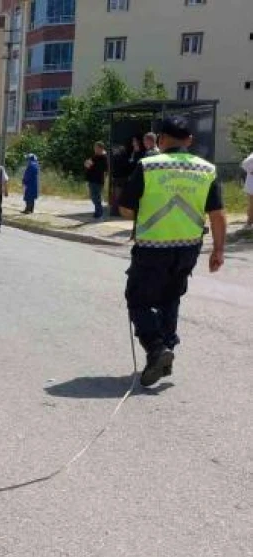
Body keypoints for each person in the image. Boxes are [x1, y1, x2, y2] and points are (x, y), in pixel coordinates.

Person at [118, 116, 226, 387]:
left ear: (162, 139)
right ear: (189, 140)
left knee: (138, 299)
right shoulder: (207, 170)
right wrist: (219, 252)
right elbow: (217, 214)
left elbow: (126, 208)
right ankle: (166, 348)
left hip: (153, 247)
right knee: (170, 298)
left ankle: (156, 348)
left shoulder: (147, 166)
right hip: (188, 248)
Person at [85, 142, 108, 219]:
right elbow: (89, 165)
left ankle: (99, 212)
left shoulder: (103, 158)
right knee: (93, 197)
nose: (95, 149)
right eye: (95, 148)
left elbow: (102, 168)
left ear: (101, 148)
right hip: (91, 179)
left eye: (97, 148)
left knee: (96, 197)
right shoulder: (94, 156)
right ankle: (98, 211)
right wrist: (87, 164)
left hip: (98, 180)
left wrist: (91, 165)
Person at [242, 150, 253, 229]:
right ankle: (249, 222)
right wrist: (251, 170)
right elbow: (244, 164)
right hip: (251, 186)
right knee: (251, 205)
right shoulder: (251, 158)